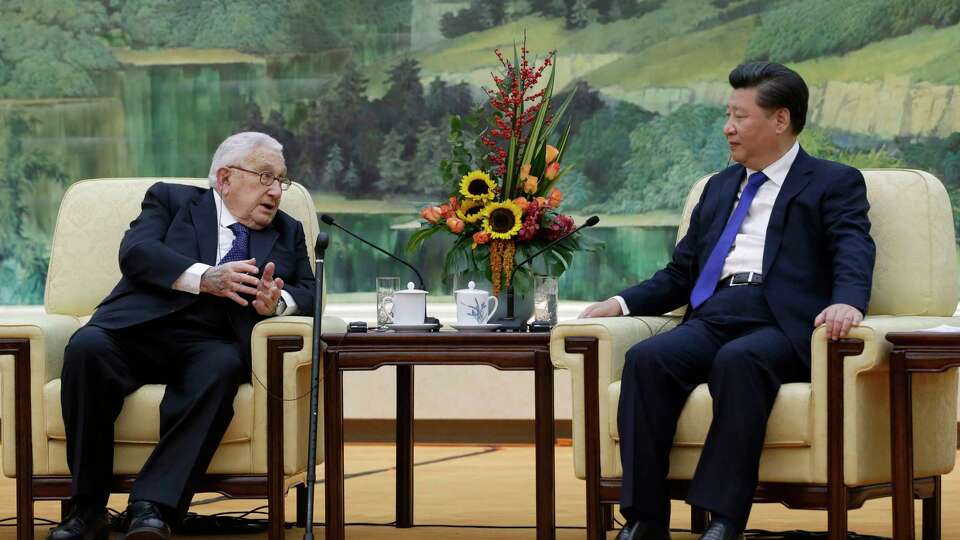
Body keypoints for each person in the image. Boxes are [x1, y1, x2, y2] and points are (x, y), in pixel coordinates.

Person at [579, 62, 875, 540]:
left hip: (781, 322)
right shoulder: (718, 187)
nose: (727, 127)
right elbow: (681, 273)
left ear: (780, 120)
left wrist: (848, 302)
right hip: (717, 312)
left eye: (740, 116)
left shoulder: (832, 181)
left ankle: (724, 520)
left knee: (739, 362)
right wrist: (619, 302)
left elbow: (853, 247)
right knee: (648, 359)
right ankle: (644, 519)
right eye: (727, 114)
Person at [48, 132, 315, 540]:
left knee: (222, 368)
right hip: (135, 329)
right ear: (225, 179)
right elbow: (136, 253)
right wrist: (204, 278)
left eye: (281, 180)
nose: (276, 191)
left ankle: (153, 508)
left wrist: (276, 305)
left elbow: (311, 292)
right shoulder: (171, 201)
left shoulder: (287, 230)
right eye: (265, 177)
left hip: (213, 342)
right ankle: (87, 510)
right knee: (86, 348)